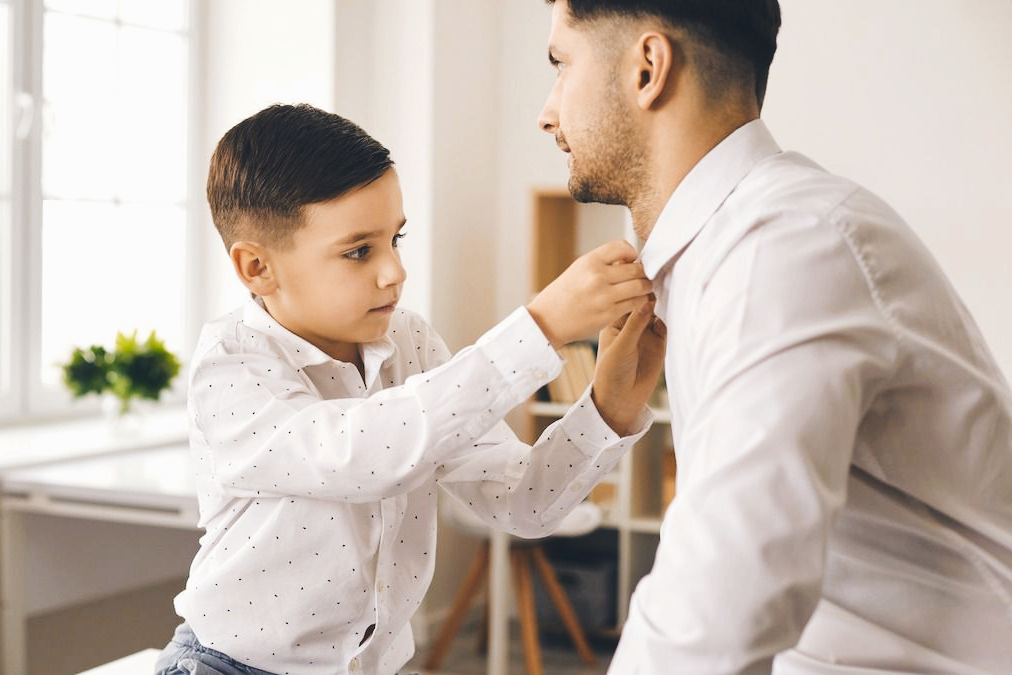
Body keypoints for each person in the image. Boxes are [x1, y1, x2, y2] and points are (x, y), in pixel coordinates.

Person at [536, 0, 1012, 673]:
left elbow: (718, 609)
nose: (547, 111)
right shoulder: (726, 249)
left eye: (560, 65)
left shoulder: (786, 247)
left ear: (648, 68)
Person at [154, 103, 666, 675]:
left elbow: (522, 503)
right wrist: (540, 328)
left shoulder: (409, 339)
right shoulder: (230, 364)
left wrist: (610, 405)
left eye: (395, 239)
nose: (394, 270)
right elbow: (358, 455)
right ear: (256, 268)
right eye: (358, 251)